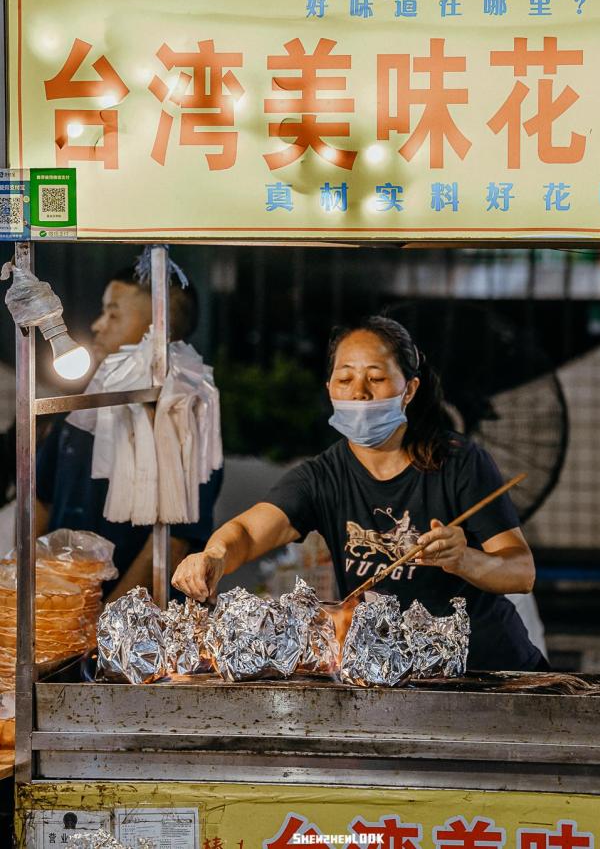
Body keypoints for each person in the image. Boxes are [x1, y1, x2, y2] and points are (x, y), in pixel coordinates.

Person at [173, 316, 547, 672]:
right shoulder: (322, 476)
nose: (359, 393)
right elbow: (250, 532)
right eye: (345, 379)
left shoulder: (460, 464)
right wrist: (213, 555)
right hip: (393, 675)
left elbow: (520, 572)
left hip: (489, 669)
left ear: (409, 389)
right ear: (329, 390)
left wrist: (463, 559)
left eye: (377, 378)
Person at [36, 266, 222, 600]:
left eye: (113, 314)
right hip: (59, 615)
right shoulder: (81, 409)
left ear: (158, 331)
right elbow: (41, 499)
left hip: (136, 629)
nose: (97, 325)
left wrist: (104, 623)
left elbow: (175, 542)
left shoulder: (189, 419)